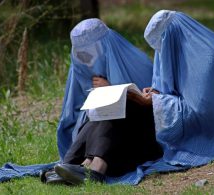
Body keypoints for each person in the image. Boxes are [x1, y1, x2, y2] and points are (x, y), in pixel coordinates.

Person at [43, 18, 163, 184]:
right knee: (97, 114)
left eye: (90, 54)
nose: (87, 62)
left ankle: (96, 169)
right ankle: (76, 165)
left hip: (139, 140)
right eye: (81, 56)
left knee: (118, 107)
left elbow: (156, 107)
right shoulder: (83, 73)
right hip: (111, 145)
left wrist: (112, 89)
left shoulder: (138, 62)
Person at [131, 10, 214, 170]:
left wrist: (157, 101)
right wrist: (158, 92)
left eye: (162, 46)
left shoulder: (207, 60)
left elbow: (202, 114)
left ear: (170, 36)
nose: (161, 53)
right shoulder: (200, 45)